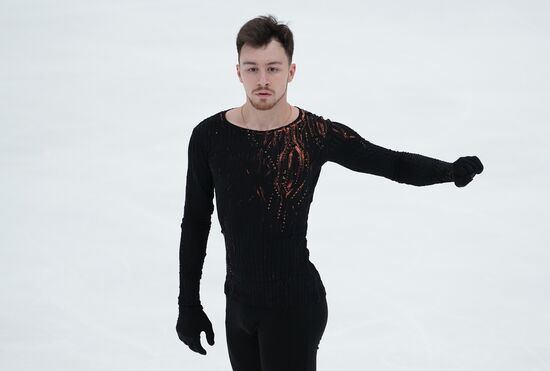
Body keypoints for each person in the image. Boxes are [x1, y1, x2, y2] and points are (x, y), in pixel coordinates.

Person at [175, 14, 484, 371]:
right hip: (239, 308)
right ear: (238, 71)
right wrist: (188, 304)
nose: (262, 80)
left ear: (291, 72)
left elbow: (391, 163)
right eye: (252, 68)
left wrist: (448, 171)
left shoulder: (314, 135)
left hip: (294, 308)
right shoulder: (209, 137)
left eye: (273, 69)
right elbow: (196, 222)